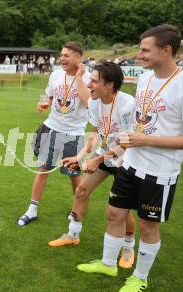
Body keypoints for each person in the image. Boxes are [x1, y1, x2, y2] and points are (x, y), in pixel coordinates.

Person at [77, 24, 183, 292]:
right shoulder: (146, 79)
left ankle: (140, 278)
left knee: (148, 226)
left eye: (145, 50)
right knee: (114, 213)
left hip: (159, 171)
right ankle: (108, 263)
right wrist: (122, 142)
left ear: (166, 50)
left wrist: (144, 140)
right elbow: (142, 121)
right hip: (130, 162)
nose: (139, 54)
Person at [49, 62, 137, 268]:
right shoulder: (95, 102)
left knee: (121, 208)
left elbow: (127, 142)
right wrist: (79, 157)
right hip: (104, 154)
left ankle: (128, 247)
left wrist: (98, 159)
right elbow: (96, 134)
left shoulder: (127, 105)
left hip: (127, 157)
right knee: (81, 190)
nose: (89, 84)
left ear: (110, 85)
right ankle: (73, 234)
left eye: (94, 81)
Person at [16, 42, 90, 226]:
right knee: (43, 169)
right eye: (62, 55)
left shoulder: (89, 78)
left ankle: (76, 210)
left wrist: (80, 78)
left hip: (74, 133)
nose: (62, 58)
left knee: (73, 174)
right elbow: (49, 95)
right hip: (52, 128)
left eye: (67, 55)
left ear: (78, 58)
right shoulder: (56, 75)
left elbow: (89, 103)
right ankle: (32, 210)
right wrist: (45, 103)